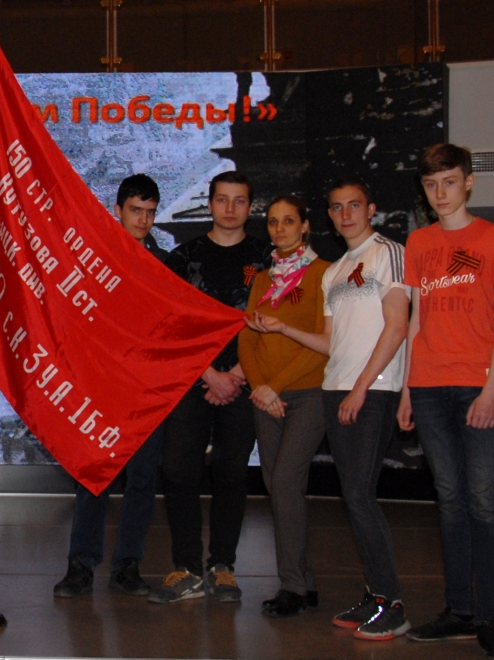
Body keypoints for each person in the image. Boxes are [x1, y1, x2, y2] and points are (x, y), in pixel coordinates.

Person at [249, 176, 411, 640]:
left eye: (354, 205)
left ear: (371, 209)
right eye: (337, 207)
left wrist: (362, 387)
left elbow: (398, 326)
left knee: (359, 495)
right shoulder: (337, 271)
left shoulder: (388, 252)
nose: (345, 214)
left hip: (370, 391)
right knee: (353, 496)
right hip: (335, 389)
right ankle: (376, 595)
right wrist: (283, 329)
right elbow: (328, 341)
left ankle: (392, 603)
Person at [398, 144, 494, 659]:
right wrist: (407, 389)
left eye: (449, 182)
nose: (440, 193)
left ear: (468, 182)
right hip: (428, 387)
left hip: (477, 385)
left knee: (484, 502)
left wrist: (492, 388)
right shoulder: (419, 241)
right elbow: (416, 320)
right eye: (431, 185)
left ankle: (489, 617)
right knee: (449, 500)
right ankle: (460, 612)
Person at [151, 171, 272, 605]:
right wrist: (209, 374)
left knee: (231, 473)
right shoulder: (184, 257)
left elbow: (275, 320)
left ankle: (223, 567)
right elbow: (169, 325)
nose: (230, 208)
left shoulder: (267, 257)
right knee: (178, 470)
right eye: (222, 199)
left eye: (239, 201)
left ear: (250, 207)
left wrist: (236, 374)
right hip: (192, 380)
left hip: (245, 379)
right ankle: (185, 567)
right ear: (210, 203)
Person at [53, 174, 168, 599]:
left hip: (149, 391)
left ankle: (127, 566)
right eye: (136, 210)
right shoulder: (90, 259)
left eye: (150, 212)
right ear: (117, 210)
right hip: (100, 388)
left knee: (142, 480)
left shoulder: (165, 265)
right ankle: (81, 565)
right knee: (93, 476)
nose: (143, 220)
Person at [237, 195, 329, 617]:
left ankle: (291, 585)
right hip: (265, 398)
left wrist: (275, 386)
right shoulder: (264, 278)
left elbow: (323, 345)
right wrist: (260, 387)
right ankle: (305, 582)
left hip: (308, 394)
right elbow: (247, 337)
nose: (280, 229)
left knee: (287, 483)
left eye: (289, 221)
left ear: (305, 226)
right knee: (279, 487)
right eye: (273, 222)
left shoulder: (325, 273)